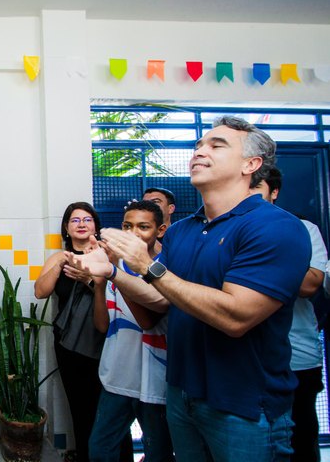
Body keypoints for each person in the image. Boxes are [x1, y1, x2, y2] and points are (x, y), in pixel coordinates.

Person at [73, 116, 311, 461]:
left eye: (217, 145)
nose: (199, 151)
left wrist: (146, 266)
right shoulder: (185, 229)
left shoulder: (275, 227)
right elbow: (160, 297)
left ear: (251, 164)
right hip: (181, 394)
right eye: (199, 145)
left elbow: (236, 316)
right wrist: (112, 272)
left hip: (243, 406)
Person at [34, 202, 130, 462]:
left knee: (112, 407)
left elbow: (122, 294)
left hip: (108, 340)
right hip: (68, 345)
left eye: (87, 219)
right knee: (80, 406)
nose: (82, 224)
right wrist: (64, 263)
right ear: (66, 228)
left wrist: (90, 278)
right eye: (75, 220)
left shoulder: (107, 255)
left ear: (95, 226)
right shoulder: (58, 257)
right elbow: (40, 291)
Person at [251, 167, 327, 462]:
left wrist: (251, 269)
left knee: (301, 438)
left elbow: (310, 284)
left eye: (257, 187)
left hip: (298, 357)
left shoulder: (304, 229)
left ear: (274, 192)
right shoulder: (224, 231)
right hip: (246, 361)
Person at [88, 200, 174, 462]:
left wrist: (114, 272)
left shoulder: (164, 268)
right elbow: (103, 325)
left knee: (157, 453)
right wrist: (101, 284)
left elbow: (148, 321)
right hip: (118, 375)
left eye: (143, 227)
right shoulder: (115, 264)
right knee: (100, 450)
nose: (133, 233)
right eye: (127, 226)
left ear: (159, 230)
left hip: (155, 380)